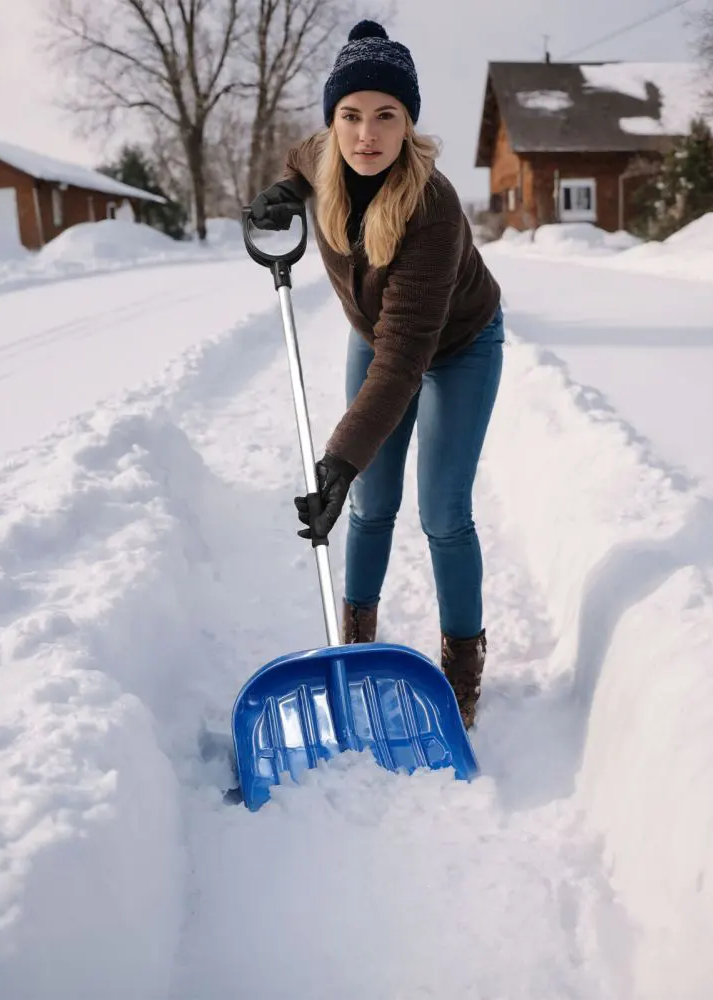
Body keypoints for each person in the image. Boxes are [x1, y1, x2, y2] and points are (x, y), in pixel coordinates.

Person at [249, 19, 504, 728]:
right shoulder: (323, 153)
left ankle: (461, 669)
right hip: (378, 335)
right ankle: (353, 645)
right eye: (351, 116)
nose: (366, 134)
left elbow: (404, 361)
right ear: (333, 121)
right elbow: (300, 162)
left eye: (386, 116)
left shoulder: (432, 206)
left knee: (443, 513)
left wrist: (338, 459)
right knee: (369, 506)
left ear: (408, 123)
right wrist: (284, 192)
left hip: (457, 345)